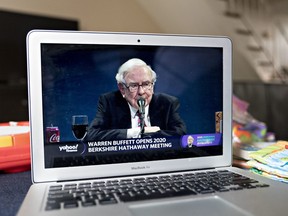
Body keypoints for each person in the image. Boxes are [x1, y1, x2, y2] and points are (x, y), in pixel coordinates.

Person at [87, 58, 186, 140]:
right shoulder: (109, 102)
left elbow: (180, 135)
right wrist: (135, 133)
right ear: (122, 88)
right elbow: (91, 135)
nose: (141, 92)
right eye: (134, 85)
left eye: (146, 84)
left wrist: (153, 134)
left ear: (153, 84)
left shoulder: (167, 103)